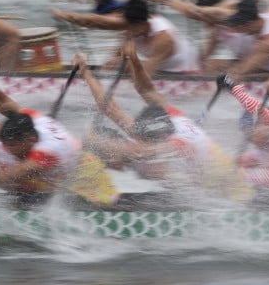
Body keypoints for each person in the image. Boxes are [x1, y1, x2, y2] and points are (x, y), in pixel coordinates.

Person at [77, 44, 252, 201]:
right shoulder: (172, 117)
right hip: (211, 183)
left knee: (140, 164)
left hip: (234, 194)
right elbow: (134, 95)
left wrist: (89, 142)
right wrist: (131, 61)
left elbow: (128, 149)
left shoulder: (167, 146)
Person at [0, 65, 118, 207]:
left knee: (10, 174)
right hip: (57, 174)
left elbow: (7, 177)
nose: (7, 149)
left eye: (12, 146)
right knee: (5, 163)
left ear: (30, 140)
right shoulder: (30, 118)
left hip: (87, 177)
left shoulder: (47, 151)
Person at [52, 0, 199, 76]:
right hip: (163, 71)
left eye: (132, 28)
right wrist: (65, 16)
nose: (129, 31)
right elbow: (95, 21)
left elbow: (146, 77)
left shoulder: (163, 38)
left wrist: (126, 64)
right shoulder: (134, 23)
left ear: (144, 22)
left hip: (185, 75)